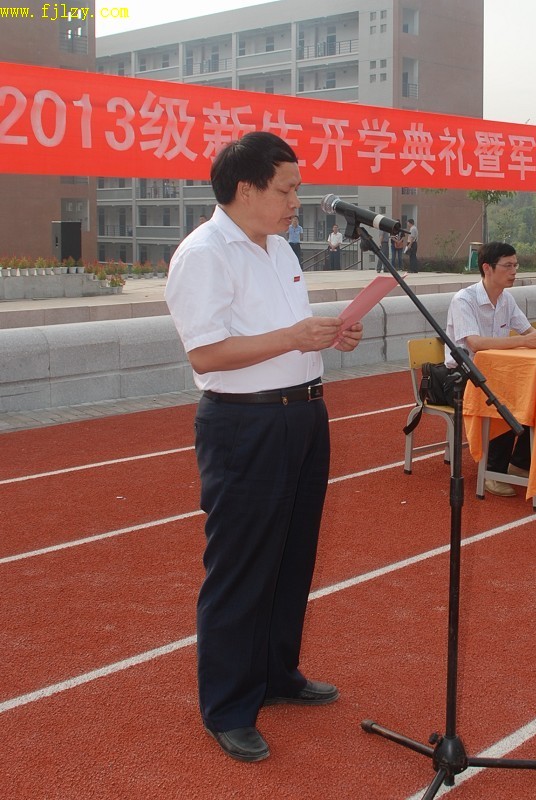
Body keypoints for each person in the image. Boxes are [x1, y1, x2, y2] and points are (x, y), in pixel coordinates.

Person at [164, 131, 363, 763]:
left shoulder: (279, 248)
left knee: (292, 555)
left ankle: (277, 673)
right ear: (246, 188)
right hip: (245, 424)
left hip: (303, 415)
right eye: (287, 189)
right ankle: (227, 706)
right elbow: (206, 353)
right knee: (242, 565)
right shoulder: (203, 255)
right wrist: (294, 336)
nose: (296, 201)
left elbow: (284, 334)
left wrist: (328, 336)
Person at [444, 241, 536, 497]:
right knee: (505, 398)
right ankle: (492, 471)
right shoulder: (464, 300)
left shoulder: (506, 299)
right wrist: (525, 341)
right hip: (459, 379)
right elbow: (475, 343)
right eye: (507, 266)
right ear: (487, 268)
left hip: (494, 375)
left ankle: (519, 463)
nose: (514, 271)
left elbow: (527, 331)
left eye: (516, 265)